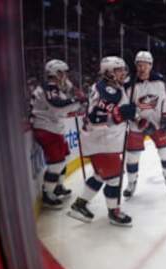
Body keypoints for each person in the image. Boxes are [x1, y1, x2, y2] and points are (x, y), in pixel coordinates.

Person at [67, 56, 137, 227]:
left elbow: (113, 110)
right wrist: (120, 114)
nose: (123, 73)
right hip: (100, 141)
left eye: (123, 70)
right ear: (109, 72)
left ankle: (79, 205)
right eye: (119, 70)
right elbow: (96, 116)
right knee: (114, 177)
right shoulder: (106, 89)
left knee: (100, 175)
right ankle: (114, 212)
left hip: (102, 141)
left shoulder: (110, 88)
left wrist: (125, 114)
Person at [122, 51, 166, 198]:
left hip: (156, 123)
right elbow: (125, 108)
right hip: (137, 125)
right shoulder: (128, 83)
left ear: (150, 65)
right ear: (135, 65)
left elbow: (163, 101)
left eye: (145, 64)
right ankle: (131, 182)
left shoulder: (159, 80)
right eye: (139, 64)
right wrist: (139, 121)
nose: (142, 68)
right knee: (132, 156)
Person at [31, 59, 86, 209]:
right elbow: (58, 108)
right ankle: (48, 195)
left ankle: (57, 186)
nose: (65, 75)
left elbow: (64, 101)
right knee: (56, 163)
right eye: (63, 72)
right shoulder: (50, 87)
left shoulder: (55, 86)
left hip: (53, 127)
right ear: (56, 73)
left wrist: (76, 98)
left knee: (65, 157)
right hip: (46, 128)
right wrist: (77, 100)